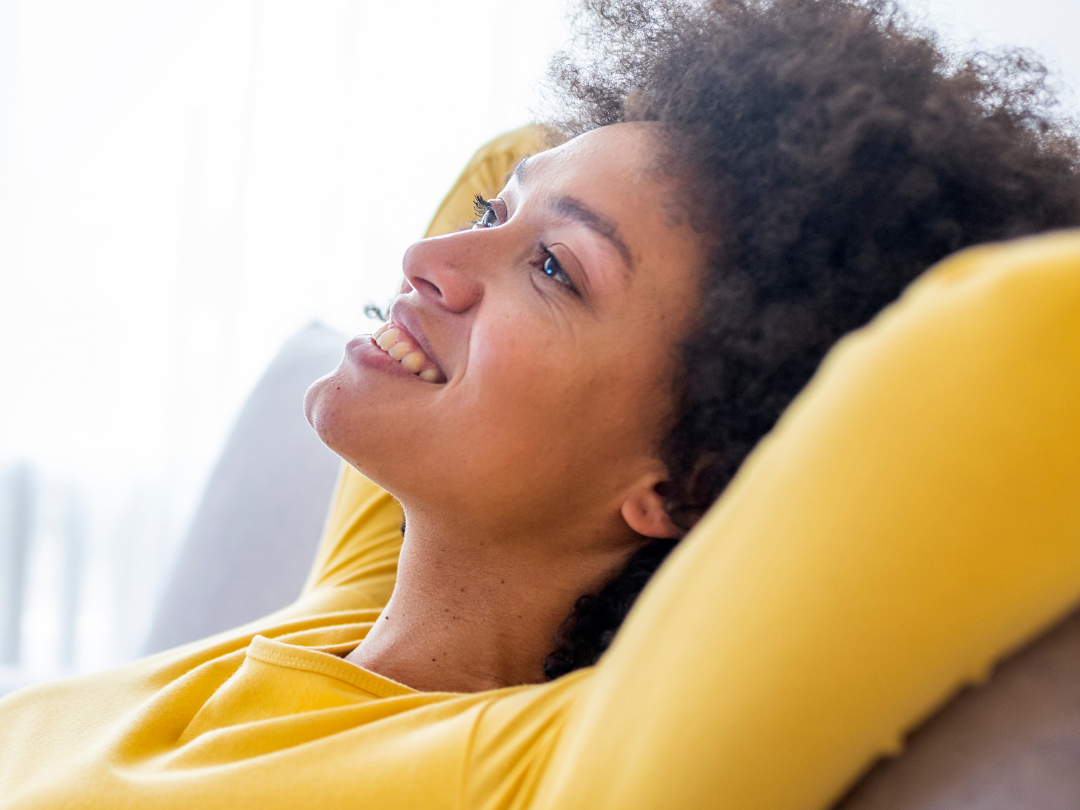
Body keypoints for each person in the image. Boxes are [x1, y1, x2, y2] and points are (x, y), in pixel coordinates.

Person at [1, 0, 1079, 808]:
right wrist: (581, 199)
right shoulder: (348, 609)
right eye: (490, 217)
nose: (429, 258)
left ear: (685, 480)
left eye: (553, 270)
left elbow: (1005, 349)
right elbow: (509, 149)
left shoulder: (547, 770)